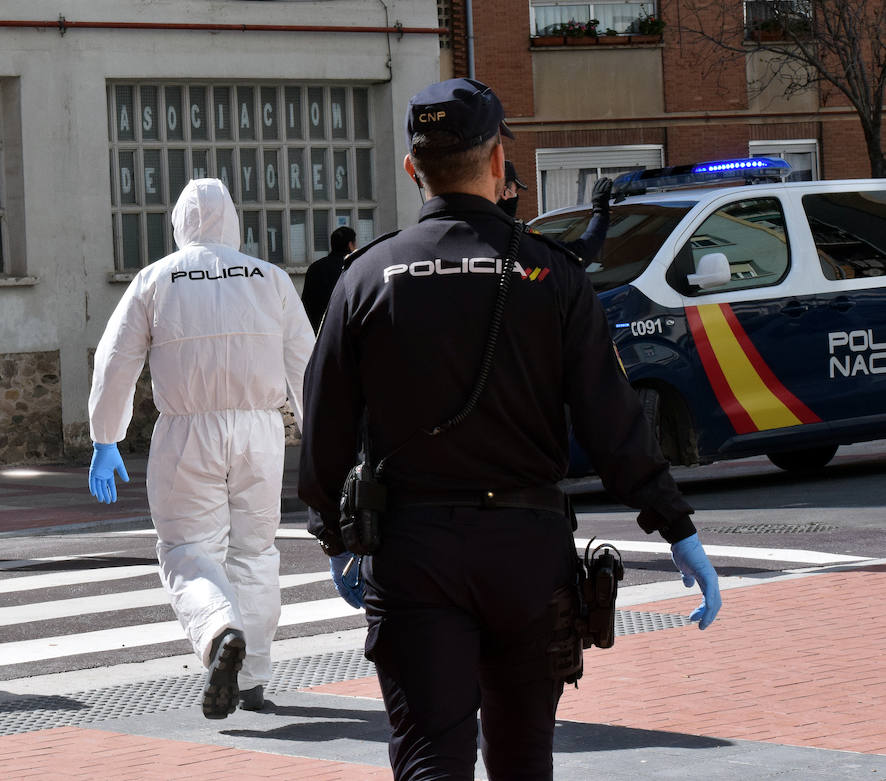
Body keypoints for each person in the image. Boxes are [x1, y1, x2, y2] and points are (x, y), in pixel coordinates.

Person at [299, 78, 721, 780]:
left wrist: (337, 539)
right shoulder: (551, 274)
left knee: (431, 755)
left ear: (414, 169)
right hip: (528, 552)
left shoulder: (367, 278)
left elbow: (324, 429)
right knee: (524, 759)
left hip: (413, 550)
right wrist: (677, 528)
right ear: (499, 161)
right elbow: (613, 419)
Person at [87, 178, 314, 719]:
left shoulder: (156, 278)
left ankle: (217, 631)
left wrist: (105, 436)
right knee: (256, 552)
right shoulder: (271, 279)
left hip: (187, 431)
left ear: (178, 224)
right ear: (234, 221)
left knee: (188, 549)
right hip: (261, 433)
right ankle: (253, 675)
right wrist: (323, 435)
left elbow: (116, 360)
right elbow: (308, 364)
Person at [498, 160, 611, 265]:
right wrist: (600, 211)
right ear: (505, 192)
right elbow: (579, 253)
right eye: (515, 191)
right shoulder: (521, 240)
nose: (516, 196)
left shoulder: (482, 235)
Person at [300, 225, 357, 330]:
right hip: (346, 332)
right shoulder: (354, 267)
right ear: (350, 245)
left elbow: (305, 304)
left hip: (318, 332)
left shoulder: (315, 267)